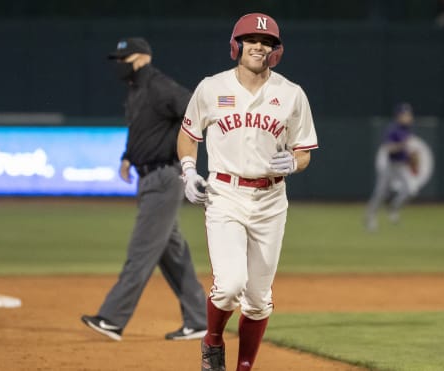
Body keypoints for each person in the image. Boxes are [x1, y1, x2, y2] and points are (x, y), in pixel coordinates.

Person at [176, 13, 318, 371]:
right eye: (252, 40)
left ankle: (243, 367)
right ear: (235, 46)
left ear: (277, 51)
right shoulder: (212, 87)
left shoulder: (291, 94)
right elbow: (189, 135)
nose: (260, 46)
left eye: (268, 42)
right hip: (225, 194)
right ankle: (212, 340)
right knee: (229, 286)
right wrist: (189, 171)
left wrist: (295, 162)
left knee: (258, 301)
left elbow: (303, 152)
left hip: (271, 200)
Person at [81, 37, 207, 342]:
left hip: (164, 177)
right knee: (172, 254)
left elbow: (195, 110)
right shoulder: (137, 90)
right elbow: (142, 131)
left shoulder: (158, 85)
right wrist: (128, 155)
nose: (119, 66)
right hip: (148, 177)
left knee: (141, 251)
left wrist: (181, 154)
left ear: (140, 58)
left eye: (123, 60)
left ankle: (112, 318)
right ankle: (200, 319)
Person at [365, 102, 417, 231]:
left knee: (411, 190)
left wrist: (410, 156)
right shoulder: (393, 129)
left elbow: (406, 150)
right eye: (406, 114)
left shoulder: (407, 129)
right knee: (380, 193)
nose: (409, 117)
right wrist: (402, 145)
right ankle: (370, 217)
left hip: (401, 166)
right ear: (399, 116)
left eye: (409, 114)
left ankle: (393, 207)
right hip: (389, 165)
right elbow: (388, 148)